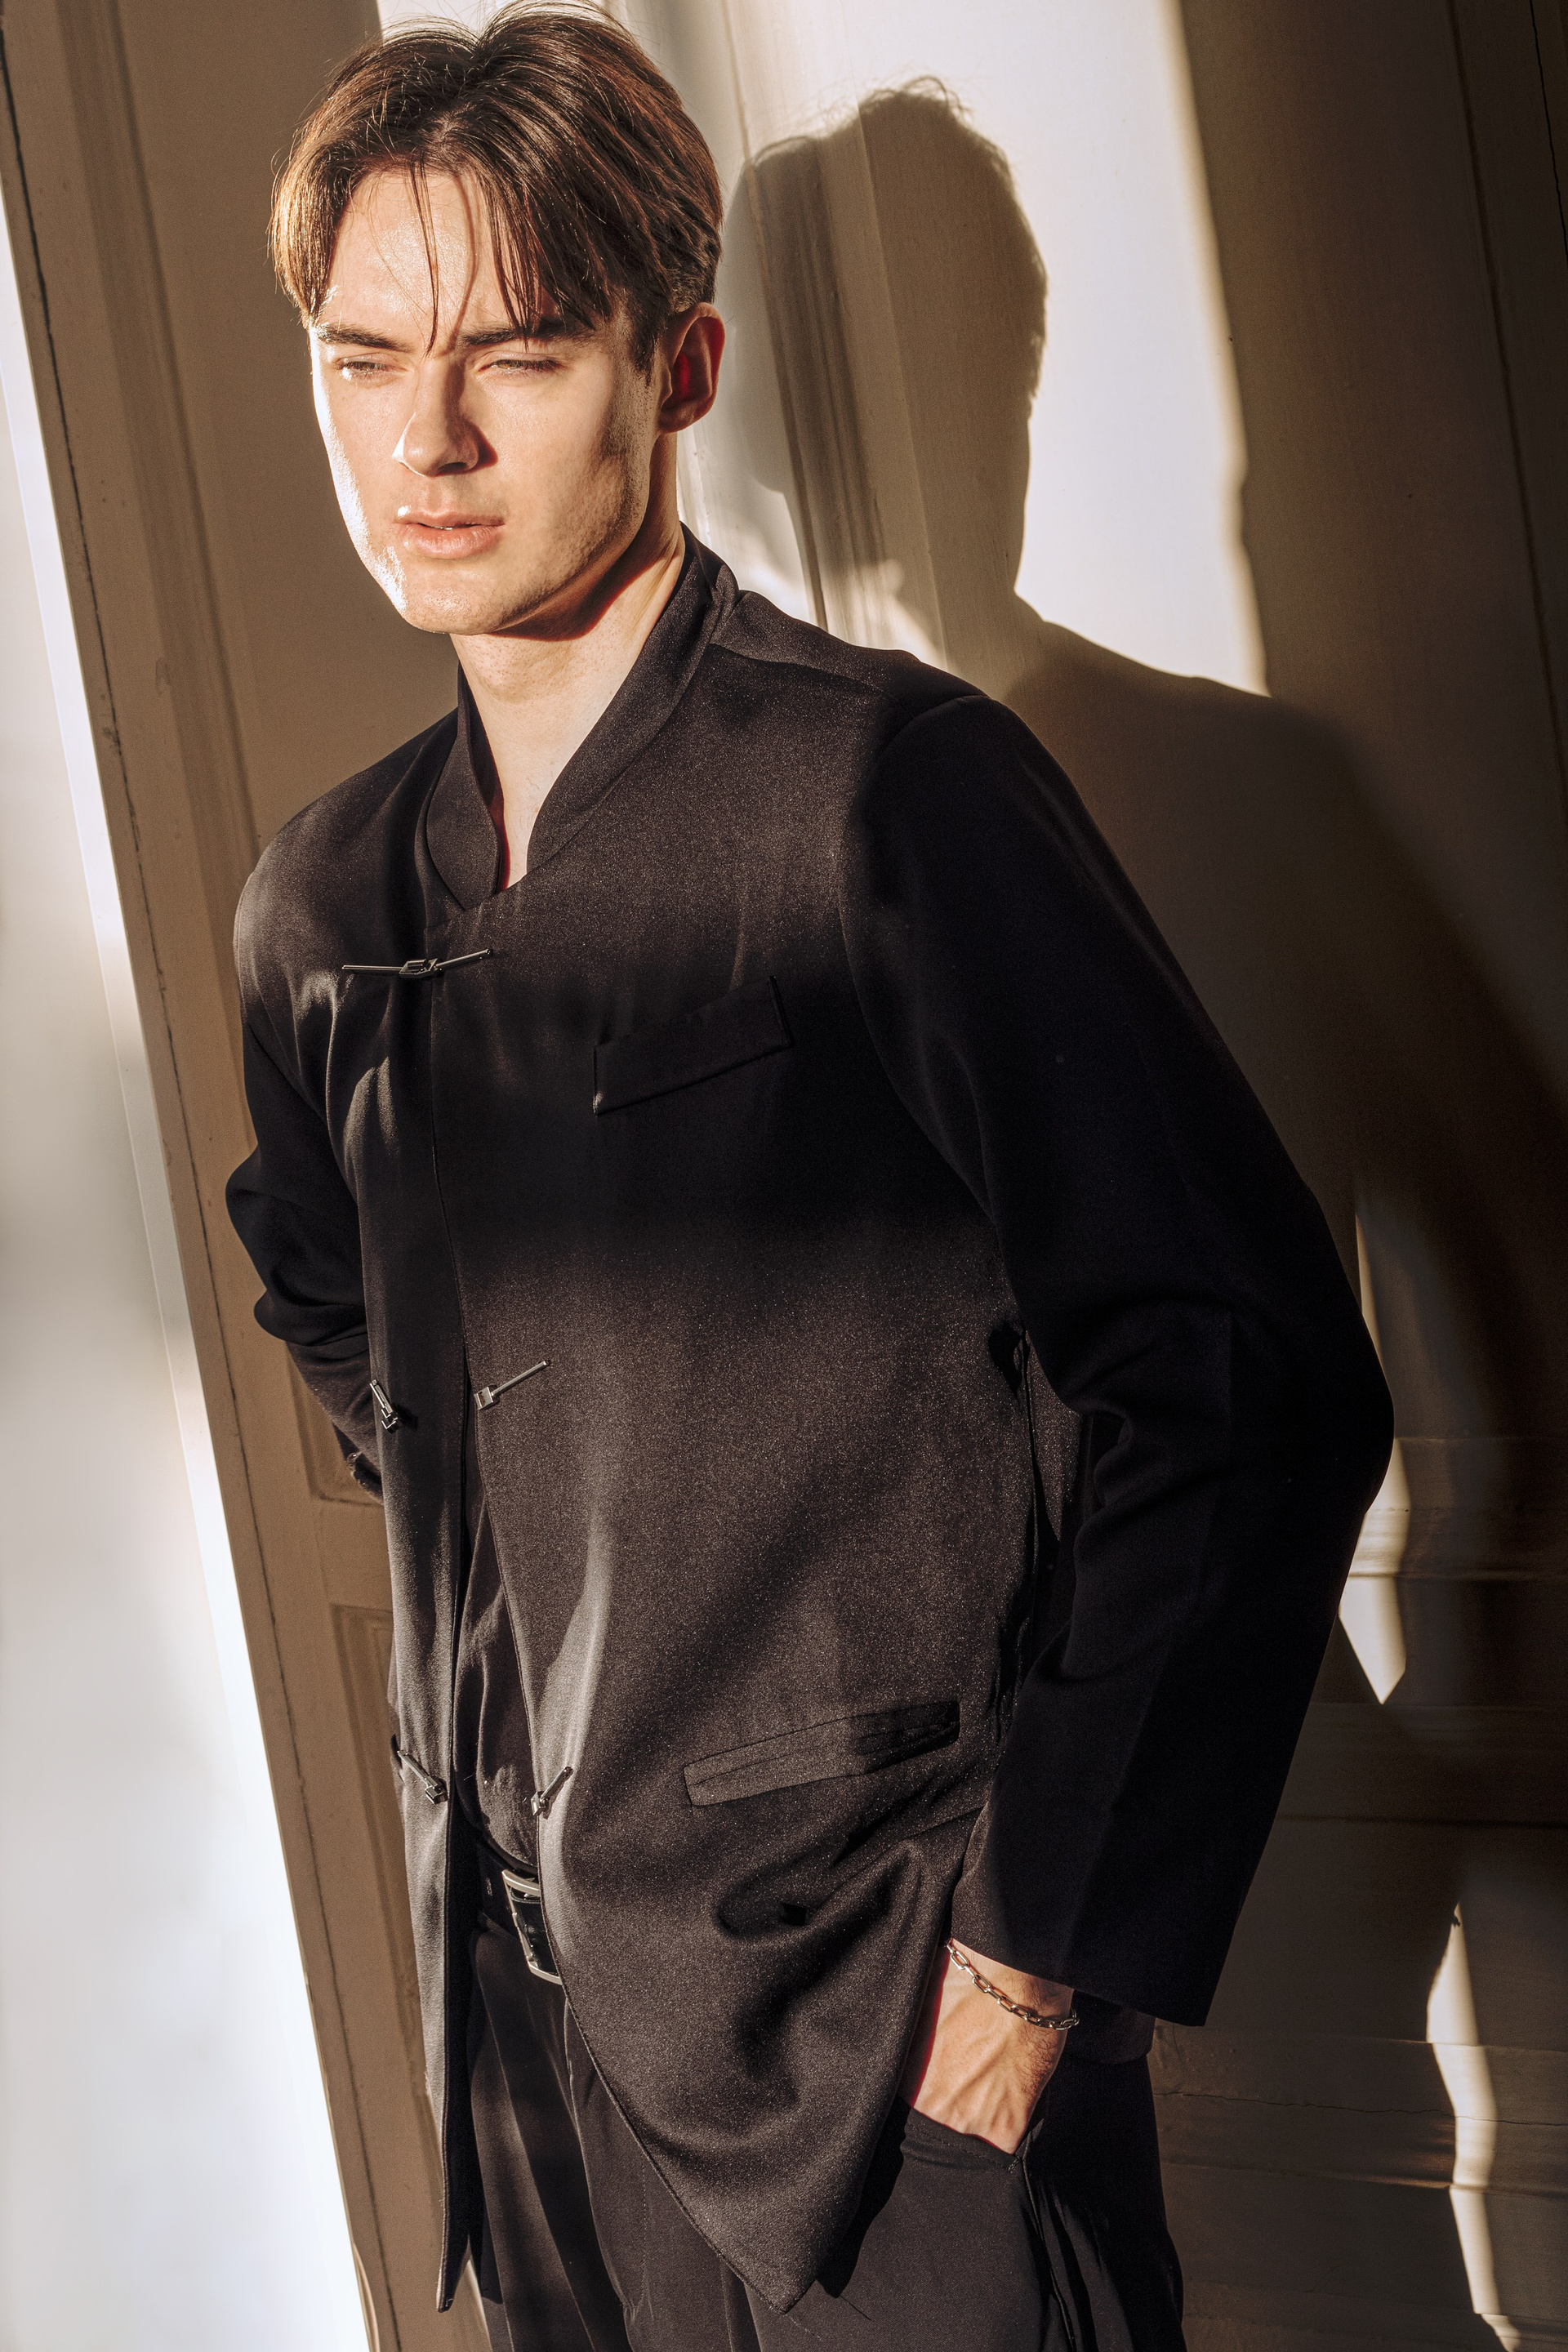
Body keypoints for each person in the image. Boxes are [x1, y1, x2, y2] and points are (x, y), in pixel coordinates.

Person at [226, 11, 1392, 2347]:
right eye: (364, 359)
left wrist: (1031, 1960)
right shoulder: (324, 899)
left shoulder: (891, 795)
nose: (425, 441)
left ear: (676, 368)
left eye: (513, 355)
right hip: (530, 2088)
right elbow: (334, 1305)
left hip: (889, 2061)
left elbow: (1244, 1375)